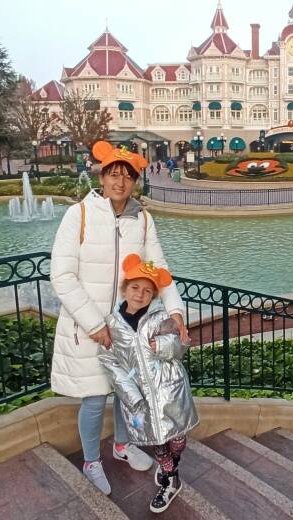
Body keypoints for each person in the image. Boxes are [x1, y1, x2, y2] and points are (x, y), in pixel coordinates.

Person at [49, 140, 187, 496]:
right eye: (113, 174)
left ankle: (123, 445)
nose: (120, 182)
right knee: (95, 397)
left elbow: (160, 270)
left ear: (135, 181)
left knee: (129, 394)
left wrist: (175, 312)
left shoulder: (143, 219)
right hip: (88, 326)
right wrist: (95, 324)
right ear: (102, 176)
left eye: (127, 176)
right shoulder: (79, 214)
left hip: (129, 326)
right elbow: (61, 276)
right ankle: (91, 461)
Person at [98, 254, 198, 514]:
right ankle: (171, 479)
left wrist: (162, 345)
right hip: (139, 394)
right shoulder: (113, 323)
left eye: (147, 291)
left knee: (176, 438)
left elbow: (180, 346)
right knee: (157, 440)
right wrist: (131, 395)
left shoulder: (162, 317)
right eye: (135, 287)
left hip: (169, 390)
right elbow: (109, 360)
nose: (140, 295)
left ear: (153, 295)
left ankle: (171, 465)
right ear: (125, 289)